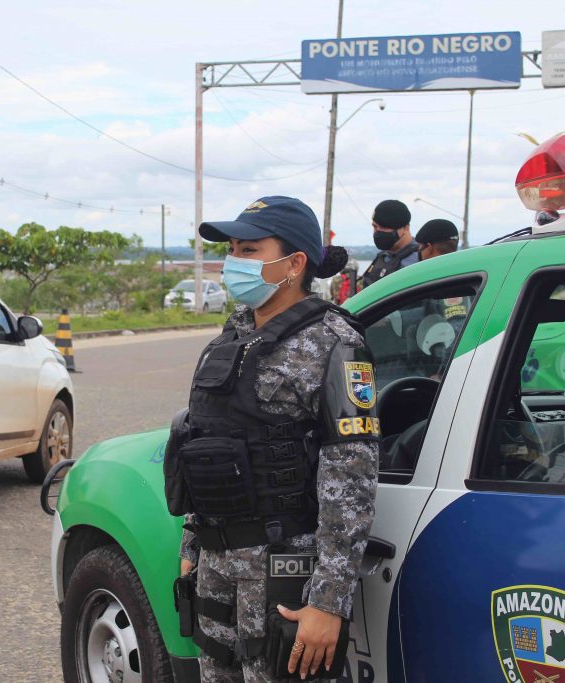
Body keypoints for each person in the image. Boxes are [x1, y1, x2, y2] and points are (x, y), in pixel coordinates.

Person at [167, 196, 380, 682]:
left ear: (294, 264)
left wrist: (328, 600)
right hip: (217, 566)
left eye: (249, 249)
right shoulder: (228, 340)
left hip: (284, 572)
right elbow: (204, 444)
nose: (234, 261)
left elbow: (351, 479)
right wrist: (193, 546)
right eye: (233, 249)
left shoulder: (334, 342)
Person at [359, 199, 418, 288]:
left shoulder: (417, 260)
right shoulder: (383, 257)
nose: (378, 232)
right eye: (375, 226)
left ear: (405, 228)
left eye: (384, 227)